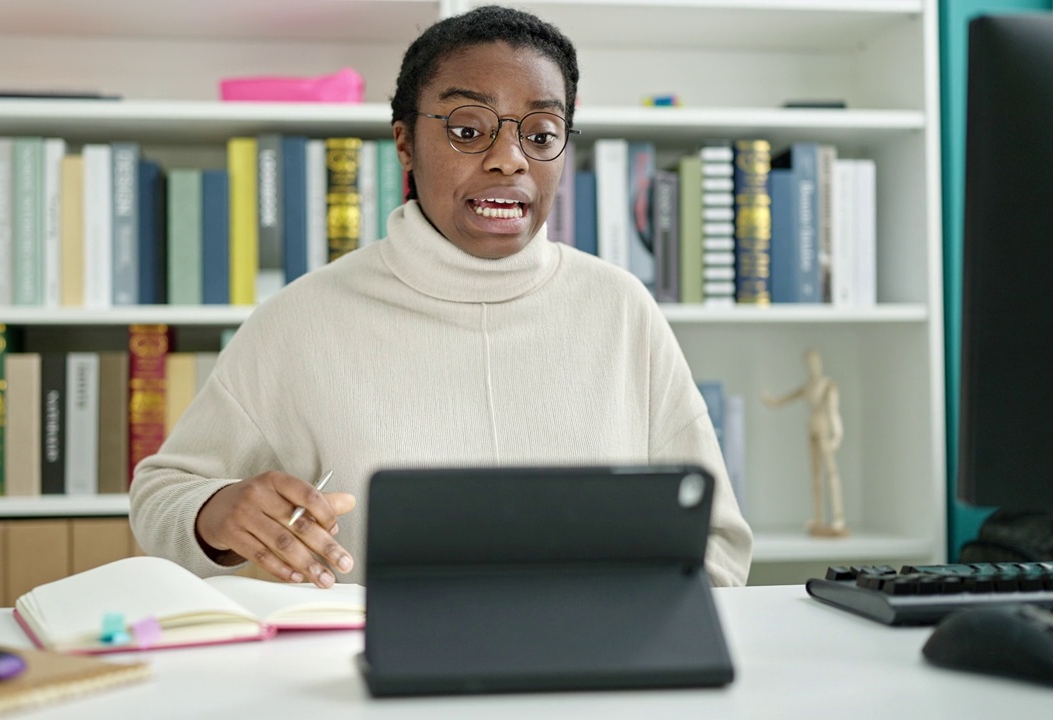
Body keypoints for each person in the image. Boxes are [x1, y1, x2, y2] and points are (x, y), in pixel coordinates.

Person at [130, 5, 753, 588]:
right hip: (381, 690)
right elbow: (161, 496)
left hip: (596, 684)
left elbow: (718, 543)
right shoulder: (301, 319)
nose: (509, 160)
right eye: (468, 129)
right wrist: (217, 513)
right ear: (404, 144)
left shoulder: (620, 309)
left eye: (540, 134)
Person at [762, 348, 847, 537]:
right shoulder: (808, 386)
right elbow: (785, 399)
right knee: (816, 475)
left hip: (825, 430)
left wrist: (838, 434)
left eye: (814, 361)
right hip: (812, 430)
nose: (812, 365)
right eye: (809, 362)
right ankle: (819, 517)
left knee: (831, 473)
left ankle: (838, 516)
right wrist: (771, 401)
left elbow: (834, 411)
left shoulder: (828, 386)